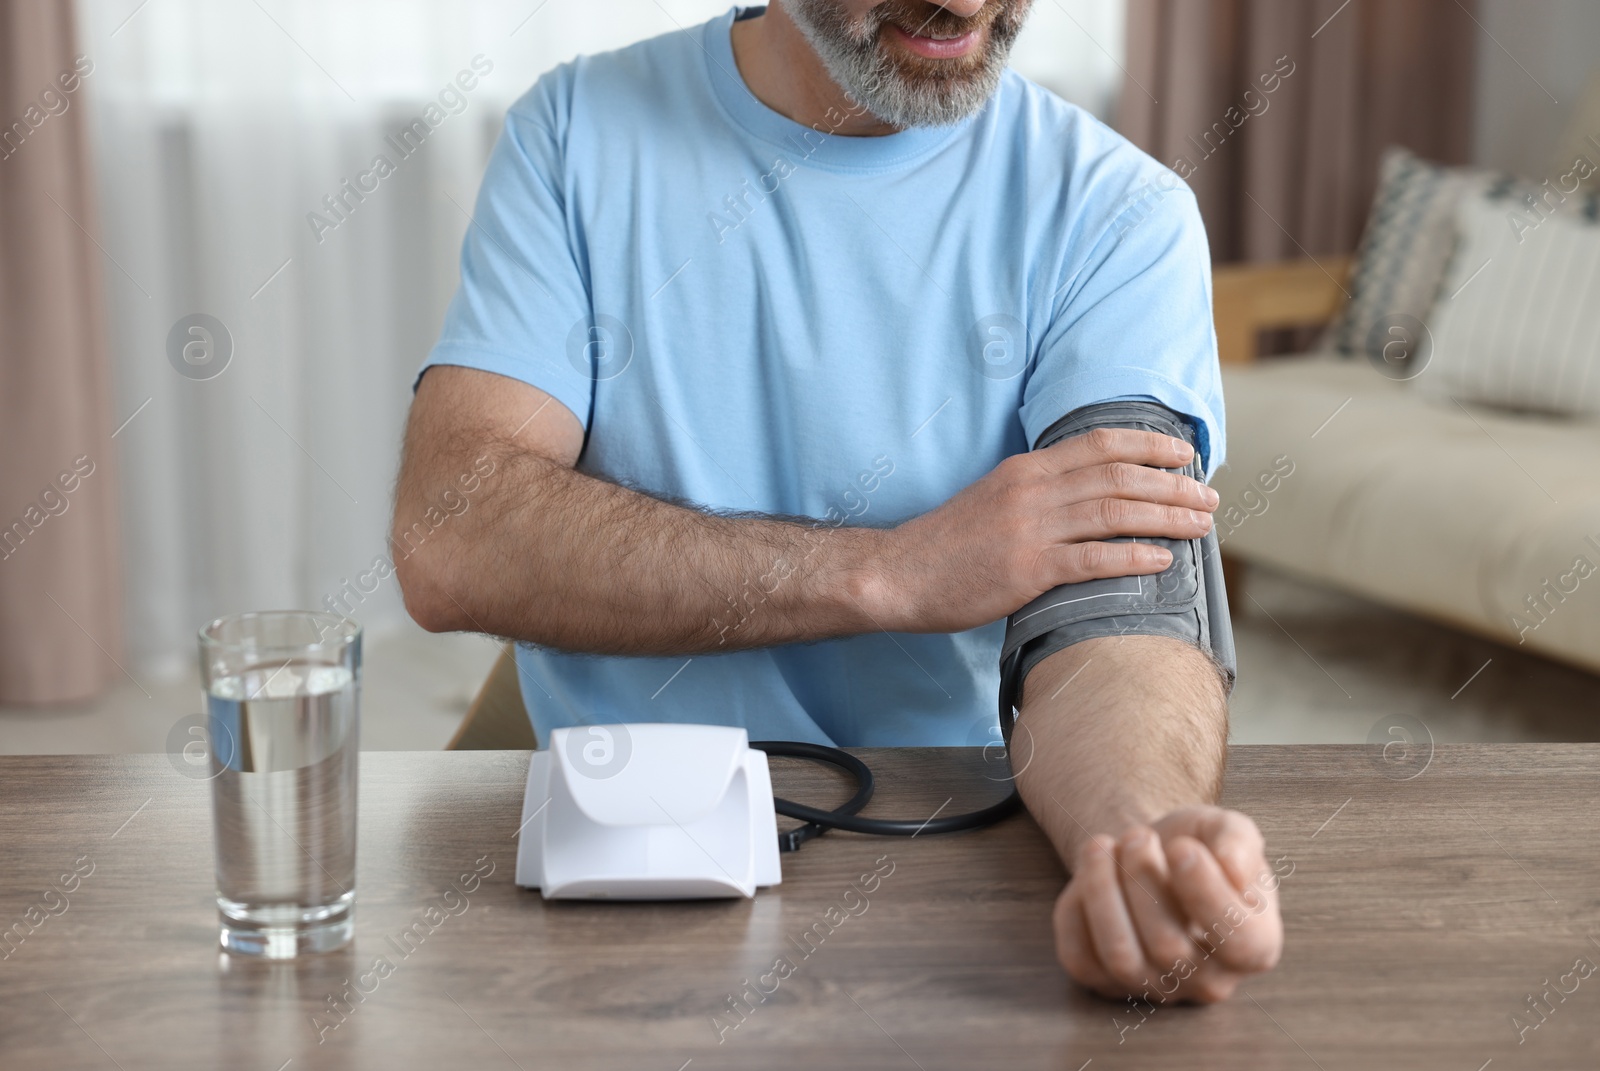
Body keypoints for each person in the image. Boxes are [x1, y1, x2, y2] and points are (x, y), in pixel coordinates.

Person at [392, 0, 1282, 1004]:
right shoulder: (577, 132)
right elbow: (450, 534)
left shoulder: (1119, 215)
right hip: (622, 868)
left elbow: (1116, 605)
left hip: (952, 868)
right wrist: (889, 569)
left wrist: (1133, 831)